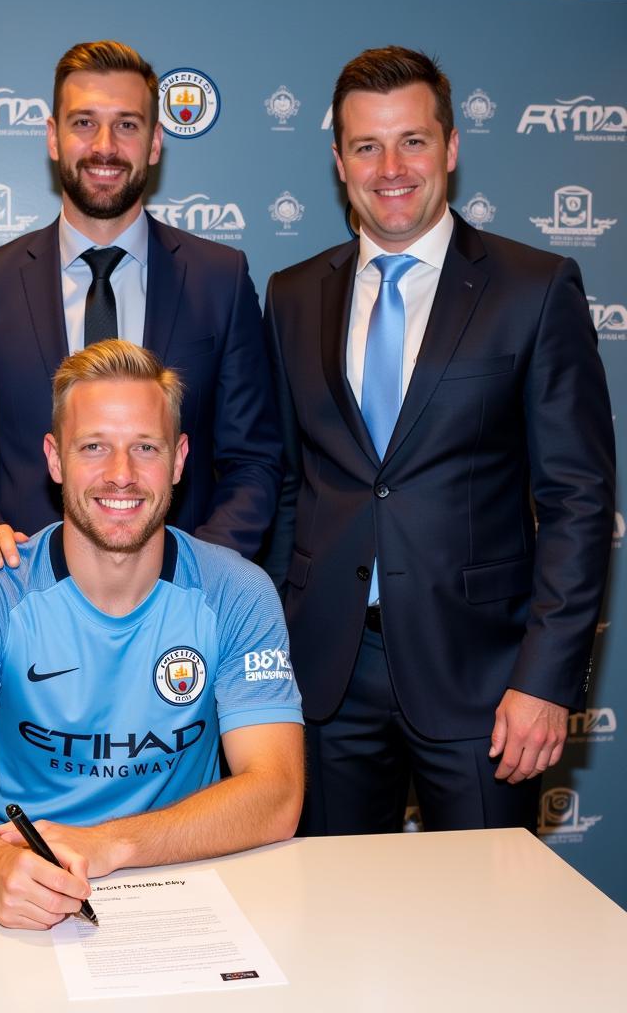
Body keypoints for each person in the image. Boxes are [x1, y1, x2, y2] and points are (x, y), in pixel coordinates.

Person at [263, 46, 614, 835]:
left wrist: (547, 681)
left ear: (450, 147)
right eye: (366, 145)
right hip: (325, 678)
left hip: (484, 683)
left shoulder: (533, 288)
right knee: (329, 923)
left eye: (413, 140)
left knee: (489, 929)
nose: (392, 166)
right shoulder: (292, 294)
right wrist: (278, 645)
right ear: (338, 160)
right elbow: (290, 482)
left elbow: (577, 501)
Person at [0, 340, 303, 930]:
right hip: (24, 889)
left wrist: (109, 845)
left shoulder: (236, 593)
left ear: (180, 458)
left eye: (146, 447)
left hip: (188, 885)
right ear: (55, 458)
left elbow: (277, 793)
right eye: (93, 447)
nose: (121, 475)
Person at [0, 40, 281, 570]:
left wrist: (202, 573)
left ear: (157, 142)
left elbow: (253, 460)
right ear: (53, 137)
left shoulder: (220, 279)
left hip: (181, 602)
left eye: (128, 125)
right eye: (84, 122)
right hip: (28, 595)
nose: (106, 146)